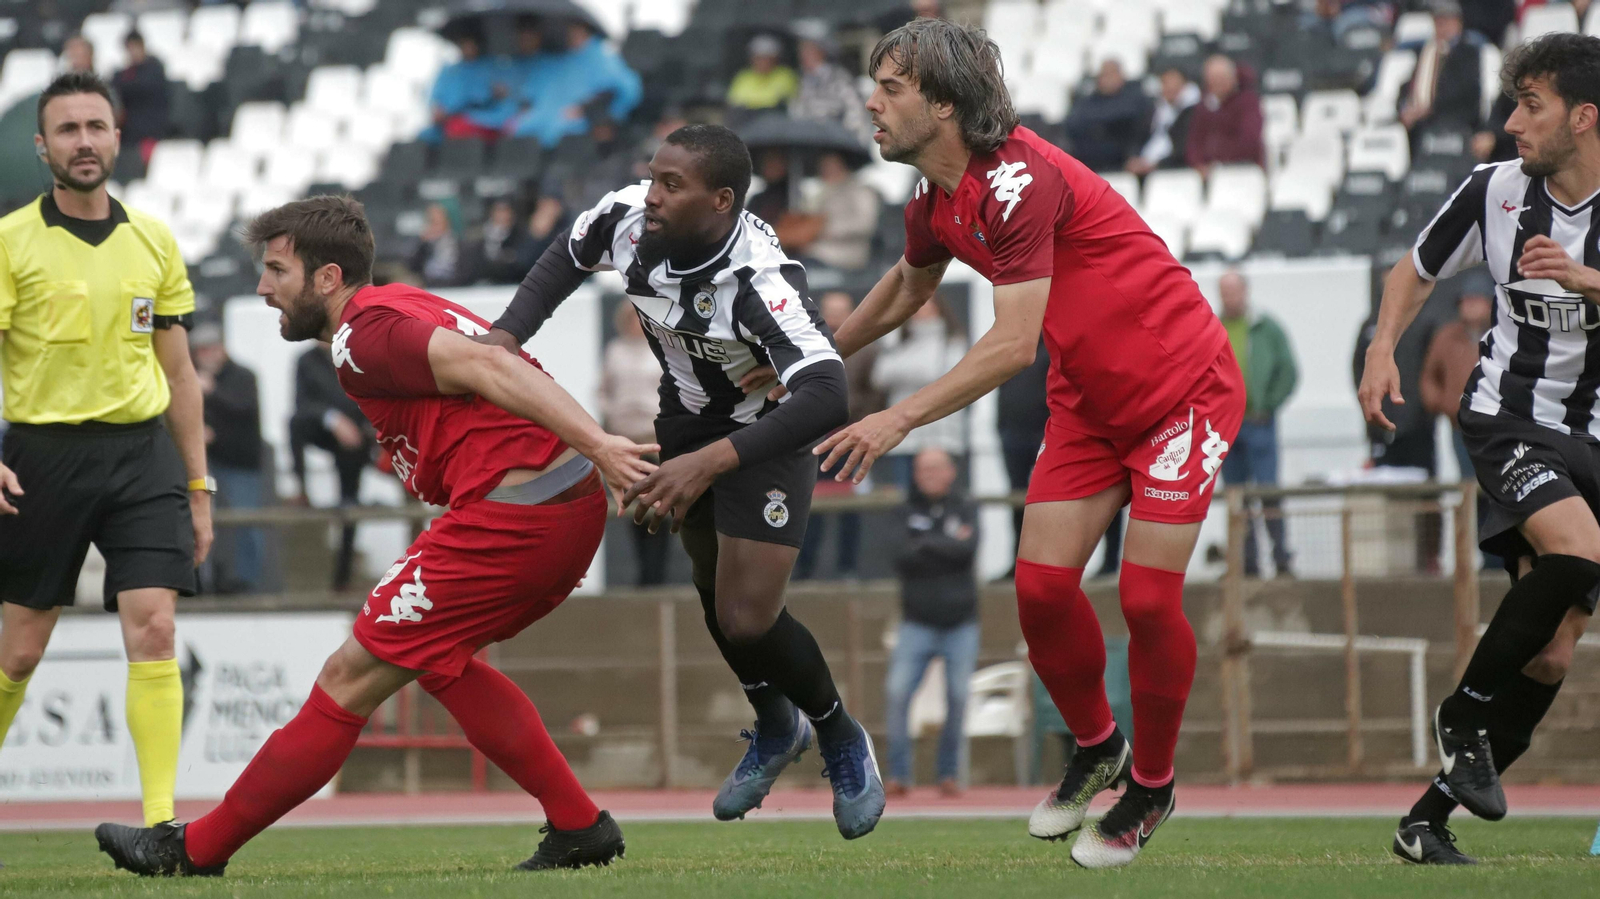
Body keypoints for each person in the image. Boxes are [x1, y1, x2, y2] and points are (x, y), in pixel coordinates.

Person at [95, 196, 657, 876]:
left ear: (327, 277)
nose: (262, 287)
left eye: (276, 270)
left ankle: (192, 850)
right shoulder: (395, 305)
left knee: (348, 676)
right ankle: (577, 824)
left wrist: (600, 444)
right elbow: (479, 376)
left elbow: (494, 366)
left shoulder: (362, 335)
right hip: (553, 503)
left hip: (519, 510)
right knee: (439, 657)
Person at [818, 19, 1244, 868]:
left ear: (943, 103)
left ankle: (1151, 785)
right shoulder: (934, 201)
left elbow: (1013, 345)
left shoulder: (1018, 179)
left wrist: (897, 416)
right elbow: (909, 282)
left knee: (1149, 603)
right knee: (1042, 590)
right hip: (1088, 401)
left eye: (891, 87)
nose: (872, 100)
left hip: (1180, 393)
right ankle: (1098, 746)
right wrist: (817, 360)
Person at [479, 124, 886, 839]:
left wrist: (713, 460)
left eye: (672, 185)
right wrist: (506, 336)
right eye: (653, 176)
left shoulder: (758, 278)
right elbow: (565, 257)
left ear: (721, 200)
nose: (652, 196)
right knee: (706, 579)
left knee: (748, 615)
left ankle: (839, 731)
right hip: (688, 421)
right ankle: (773, 723)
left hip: (764, 434)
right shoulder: (628, 219)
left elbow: (827, 393)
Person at [1358, 32, 1600, 865]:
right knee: (1580, 550)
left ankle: (1425, 820)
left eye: (1530, 105)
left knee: (1555, 644)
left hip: (1592, 437)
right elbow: (1411, 270)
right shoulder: (1494, 190)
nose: (1511, 123)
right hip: (1506, 417)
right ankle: (1461, 713)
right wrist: (1382, 346)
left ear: (1584, 116)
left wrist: (1588, 281)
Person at [0, 72, 212, 830]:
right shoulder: (10, 241)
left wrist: (198, 484)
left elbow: (180, 373)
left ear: (118, 138)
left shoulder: (154, 238)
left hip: (140, 454)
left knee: (155, 624)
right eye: (67, 130)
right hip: (39, 458)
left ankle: (162, 828)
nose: (84, 141)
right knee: (18, 651)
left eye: (96, 127)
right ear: (42, 146)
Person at [884, 446, 980, 797]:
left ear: (951, 471)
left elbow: (967, 551)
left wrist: (924, 545)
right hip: (916, 622)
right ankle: (898, 775)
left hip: (961, 623)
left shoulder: (967, 507)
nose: (929, 475)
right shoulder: (903, 509)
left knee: (957, 696)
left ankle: (948, 774)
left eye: (936, 468)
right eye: (923, 469)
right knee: (896, 694)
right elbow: (899, 554)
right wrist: (944, 545)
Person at [796, 291, 883, 580]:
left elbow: (875, 393)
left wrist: (859, 422)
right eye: (830, 311)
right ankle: (806, 569)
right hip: (811, 438)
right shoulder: (805, 345)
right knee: (810, 507)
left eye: (841, 311)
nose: (835, 318)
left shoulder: (868, 349)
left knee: (851, 509)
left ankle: (848, 569)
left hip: (850, 437)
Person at [1217, 270, 1298, 578]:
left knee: (1268, 491)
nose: (1229, 298)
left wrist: (1268, 404)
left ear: (1245, 291)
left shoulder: (1266, 328)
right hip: (1226, 428)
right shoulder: (1212, 327)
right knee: (1236, 495)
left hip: (1259, 423)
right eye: (1224, 292)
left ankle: (1281, 558)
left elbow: (1288, 371)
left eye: (1234, 291)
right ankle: (1245, 563)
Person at [289, 342, 372, 592]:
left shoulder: (359, 353)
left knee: (350, 503)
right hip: (323, 428)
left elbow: (372, 397)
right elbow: (302, 404)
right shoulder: (306, 360)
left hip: (358, 438)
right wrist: (334, 419)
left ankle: (342, 579)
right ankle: (302, 489)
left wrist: (364, 429)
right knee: (294, 424)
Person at [192, 323, 267, 594]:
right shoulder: (193, 379)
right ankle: (204, 579)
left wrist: (212, 393)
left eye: (211, 348)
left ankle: (249, 582)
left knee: (246, 522)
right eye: (201, 350)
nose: (206, 355)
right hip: (207, 465)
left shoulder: (243, 376)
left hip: (240, 464)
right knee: (205, 520)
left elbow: (243, 411)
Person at [600, 301, 670, 586]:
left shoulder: (662, 350)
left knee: (662, 504)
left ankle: (657, 574)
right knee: (632, 506)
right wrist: (610, 413)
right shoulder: (614, 351)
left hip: (655, 439)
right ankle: (642, 573)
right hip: (627, 440)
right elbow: (603, 390)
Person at [869, 296, 968, 492]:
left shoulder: (952, 342)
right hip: (903, 435)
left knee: (943, 494)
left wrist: (901, 366)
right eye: (917, 308)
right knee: (905, 498)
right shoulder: (898, 341)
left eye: (927, 308)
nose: (921, 314)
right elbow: (879, 374)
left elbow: (935, 372)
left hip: (942, 436)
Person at [510, 19, 641, 149]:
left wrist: (585, 109)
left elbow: (621, 89)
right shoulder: (563, 60)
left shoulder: (601, 57)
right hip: (550, 120)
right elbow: (541, 92)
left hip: (584, 125)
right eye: (570, 33)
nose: (572, 37)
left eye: (577, 33)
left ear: (587, 33)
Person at [996, 339, 1048, 578]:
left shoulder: (1054, 341)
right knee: (1017, 499)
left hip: (1045, 433)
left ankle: (1048, 562)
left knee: (1048, 499)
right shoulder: (1011, 343)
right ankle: (1018, 560)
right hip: (1012, 434)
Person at [1399, 2, 1486, 138]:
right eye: (1436, 22)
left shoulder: (1468, 52)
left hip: (1451, 119)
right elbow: (1411, 83)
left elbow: (1466, 90)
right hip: (1420, 121)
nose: (1439, 28)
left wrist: (1428, 108)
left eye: (1444, 22)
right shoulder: (1427, 51)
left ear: (1457, 23)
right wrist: (1405, 107)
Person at [784, 151, 880, 272]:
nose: (826, 170)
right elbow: (812, 216)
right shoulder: (821, 192)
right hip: (817, 252)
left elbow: (865, 224)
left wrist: (825, 229)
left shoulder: (861, 191)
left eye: (830, 165)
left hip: (847, 254)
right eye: (823, 166)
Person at [1063, 59, 1152, 174]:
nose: (1108, 79)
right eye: (1104, 75)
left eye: (1112, 74)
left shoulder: (1137, 100)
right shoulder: (1086, 103)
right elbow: (1072, 127)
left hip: (1126, 163)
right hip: (1092, 164)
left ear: (1121, 76)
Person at [1185, 54, 1265, 174]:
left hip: (1242, 169)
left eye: (1222, 78)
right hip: (1207, 173)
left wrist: (1219, 161)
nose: (1217, 83)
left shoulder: (1248, 102)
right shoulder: (1203, 106)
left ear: (1233, 78)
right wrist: (1198, 164)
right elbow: (1194, 141)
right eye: (1213, 79)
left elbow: (1250, 140)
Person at [791, 34, 873, 144]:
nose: (803, 55)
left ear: (820, 52)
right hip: (811, 141)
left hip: (839, 141)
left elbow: (856, 112)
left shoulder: (839, 77)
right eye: (801, 51)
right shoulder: (802, 82)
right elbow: (797, 113)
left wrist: (850, 140)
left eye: (808, 51)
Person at [1126, 68, 1200, 176]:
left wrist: (1157, 164)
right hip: (1145, 164)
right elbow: (1138, 137)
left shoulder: (1194, 112)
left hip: (1173, 169)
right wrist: (1133, 158)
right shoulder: (1154, 110)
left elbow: (1184, 148)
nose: (1170, 88)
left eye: (1174, 83)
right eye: (1166, 83)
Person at [113, 31, 168, 166]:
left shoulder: (154, 69)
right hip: (129, 134)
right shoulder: (125, 74)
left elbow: (143, 87)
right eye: (129, 48)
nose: (133, 52)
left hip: (150, 131)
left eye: (135, 47)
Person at [463, 198, 536, 285]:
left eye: (505, 211)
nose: (502, 215)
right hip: (481, 285)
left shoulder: (521, 236)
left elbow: (522, 264)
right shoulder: (478, 235)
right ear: (491, 213)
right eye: (498, 211)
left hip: (510, 284)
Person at [727, 35, 799, 111]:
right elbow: (734, 102)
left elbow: (780, 102)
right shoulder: (743, 77)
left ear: (776, 59)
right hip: (746, 119)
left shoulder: (786, 76)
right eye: (758, 58)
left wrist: (751, 103)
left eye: (766, 58)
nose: (762, 62)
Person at [409, 200, 469, 288]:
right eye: (431, 221)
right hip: (430, 289)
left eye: (438, 222)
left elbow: (465, 274)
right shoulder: (425, 245)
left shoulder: (461, 245)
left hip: (455, 290)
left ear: (447, 221)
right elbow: (412, 267)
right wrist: (423, 243)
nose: (435, 226)